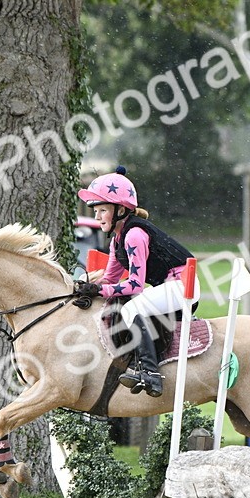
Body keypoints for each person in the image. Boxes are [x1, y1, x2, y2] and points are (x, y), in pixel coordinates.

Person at [75, 166, 199, 398]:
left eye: (102, 210)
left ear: (121, 209)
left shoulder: (134, 235)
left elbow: (135, 285)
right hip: (168, 287)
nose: (97, 216)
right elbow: (110, 278)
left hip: (183, 286)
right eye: (96, 211)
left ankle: (150, 372)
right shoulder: (117, 241)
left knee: (133, 305)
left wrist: (100, 289)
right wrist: (85, 285)